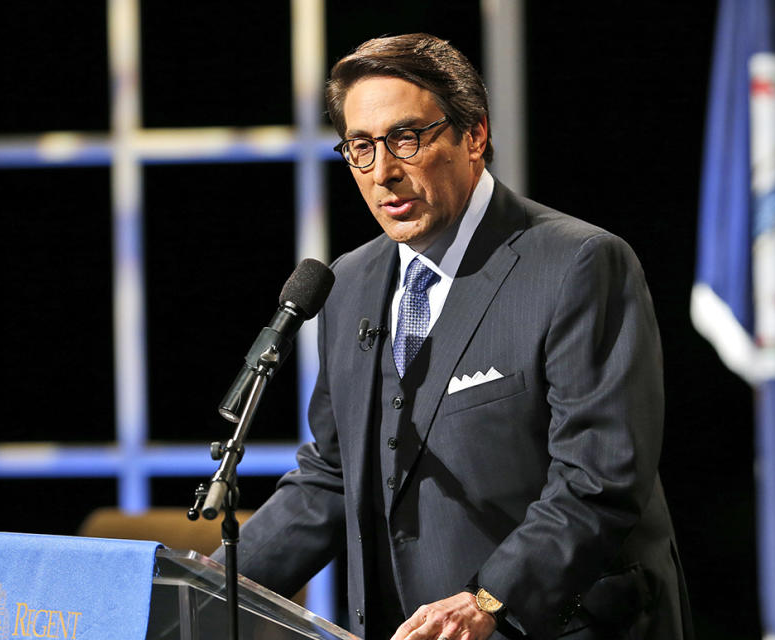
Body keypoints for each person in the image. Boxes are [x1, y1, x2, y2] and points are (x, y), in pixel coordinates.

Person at [216, 33, 692, 640]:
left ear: (475, 136)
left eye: (406, 138)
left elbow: (599, 478)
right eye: (361, 147)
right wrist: (210, 585)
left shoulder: (578, 264)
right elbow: (334, 476)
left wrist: (489, 601)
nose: (384, 172)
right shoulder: (350, 284)